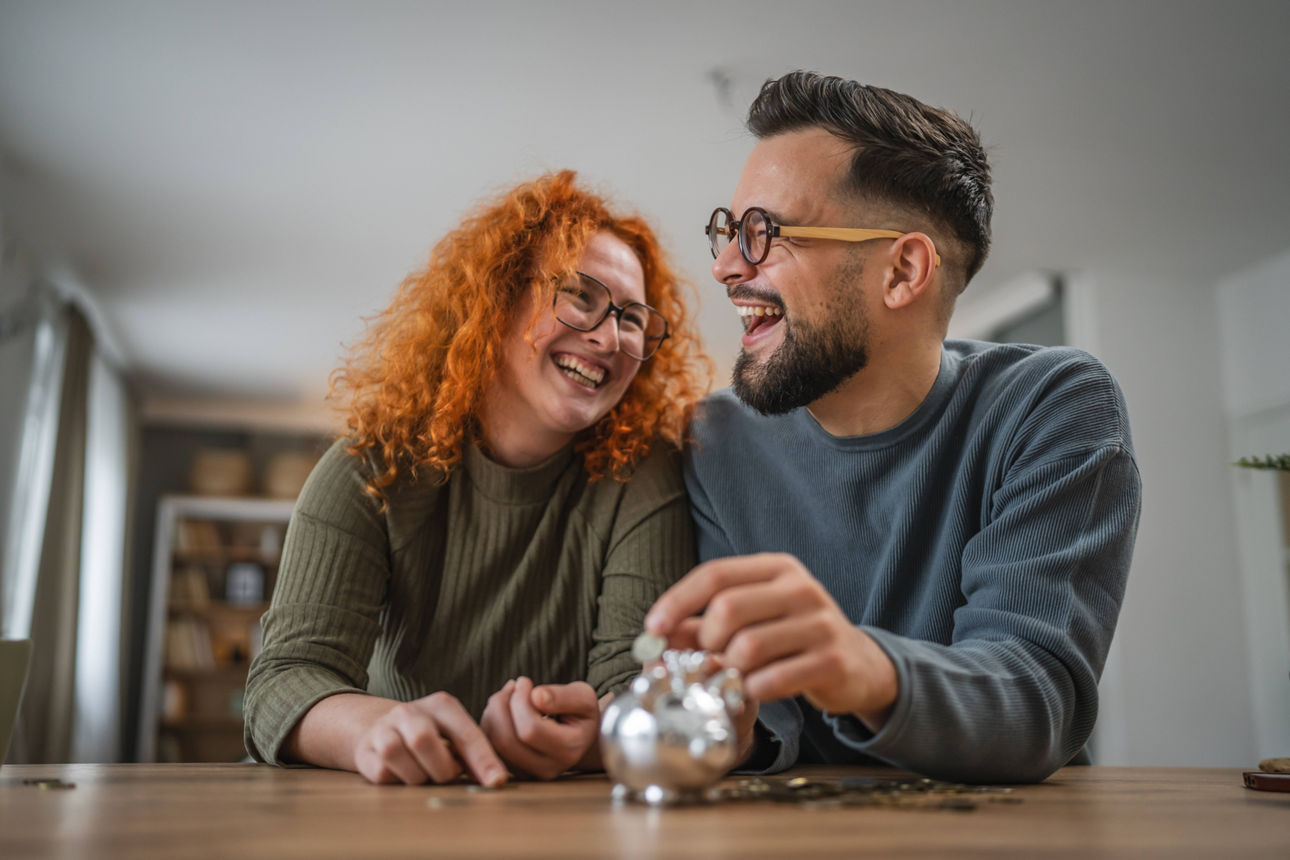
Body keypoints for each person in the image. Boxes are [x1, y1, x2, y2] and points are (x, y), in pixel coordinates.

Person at [644, 71, 1142, 784]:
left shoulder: (1051, 405)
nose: (725, 267)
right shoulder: (714, 441)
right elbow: (764, 728)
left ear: (903, 271)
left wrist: (865, 668)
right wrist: (722, 722)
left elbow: (1036, 698)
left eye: (764, 233)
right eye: (729, 232)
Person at [244, 171, 710, 786]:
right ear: (496, 299)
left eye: (631, 318)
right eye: (579, 295)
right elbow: (283, 679)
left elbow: (639, 683)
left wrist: (594, 736)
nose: (608, 337)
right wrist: (371, 729)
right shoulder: (370, 467)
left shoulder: (642, 475)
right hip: (401, 808)